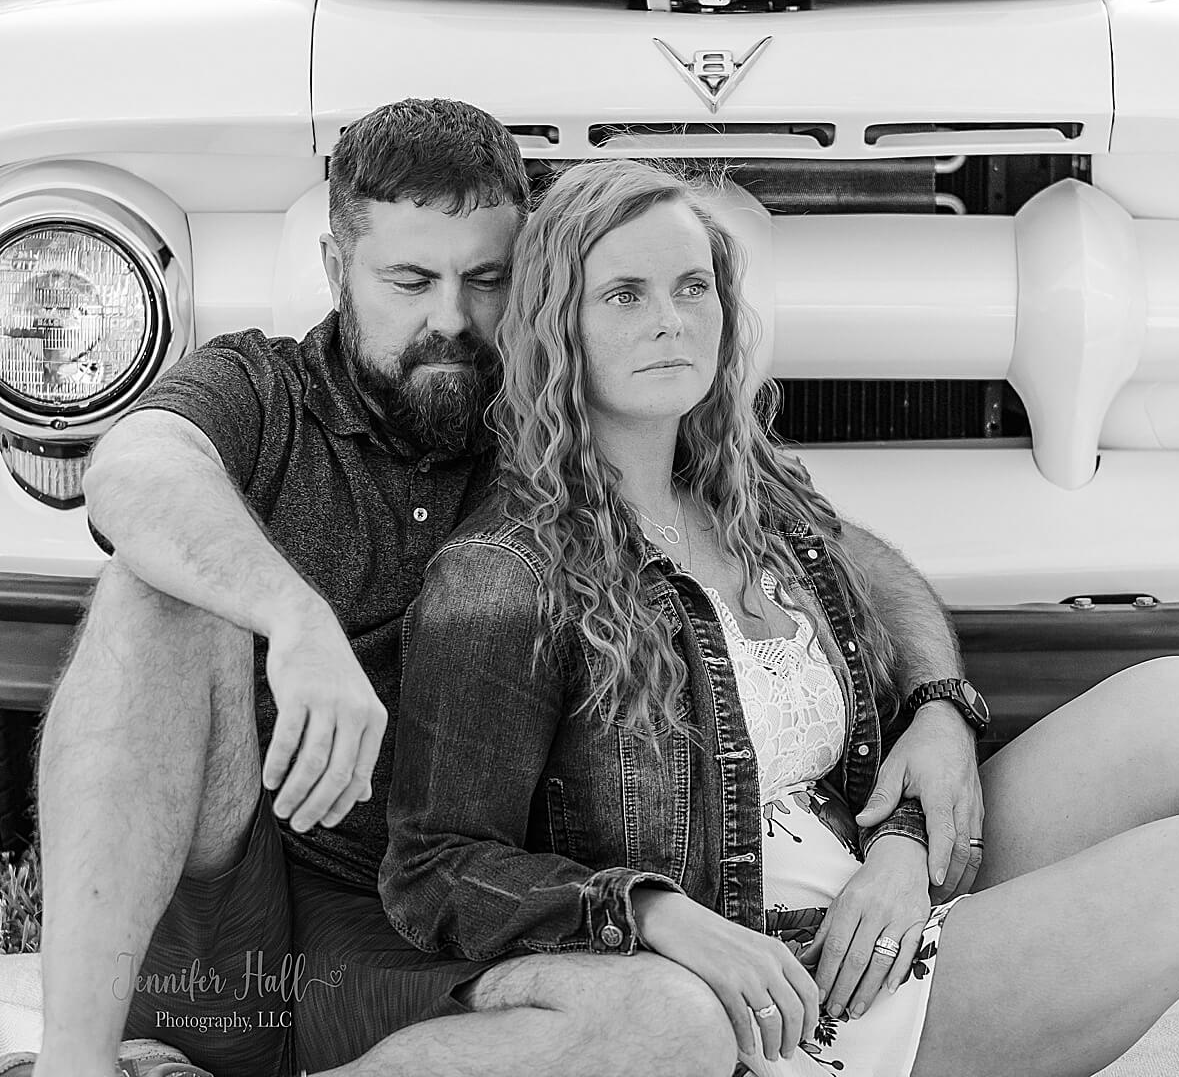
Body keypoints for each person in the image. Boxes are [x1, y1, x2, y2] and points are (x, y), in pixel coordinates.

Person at [8, 101, 979, 1077]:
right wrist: (293, 616)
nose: (450, 318)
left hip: (428, 941)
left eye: (484, 280)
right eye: (408, 280)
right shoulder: (265, 392)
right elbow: (133, 473)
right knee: (159, 587)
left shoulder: (565, 423)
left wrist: (935, 703)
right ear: (334, 263)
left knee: (675, 1024)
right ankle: (77, 1065)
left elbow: (842, 558)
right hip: (226, 919)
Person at [384, 158, 1179, 1077]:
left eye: (692, 287)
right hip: (800, 981)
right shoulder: (504, 572)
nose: (670, 321)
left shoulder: (743, 496)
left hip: (873, 876)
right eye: (624, 294)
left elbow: (885, 611)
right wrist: (652, 914)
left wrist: (923, 775)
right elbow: (435, 869)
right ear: (557, 323)